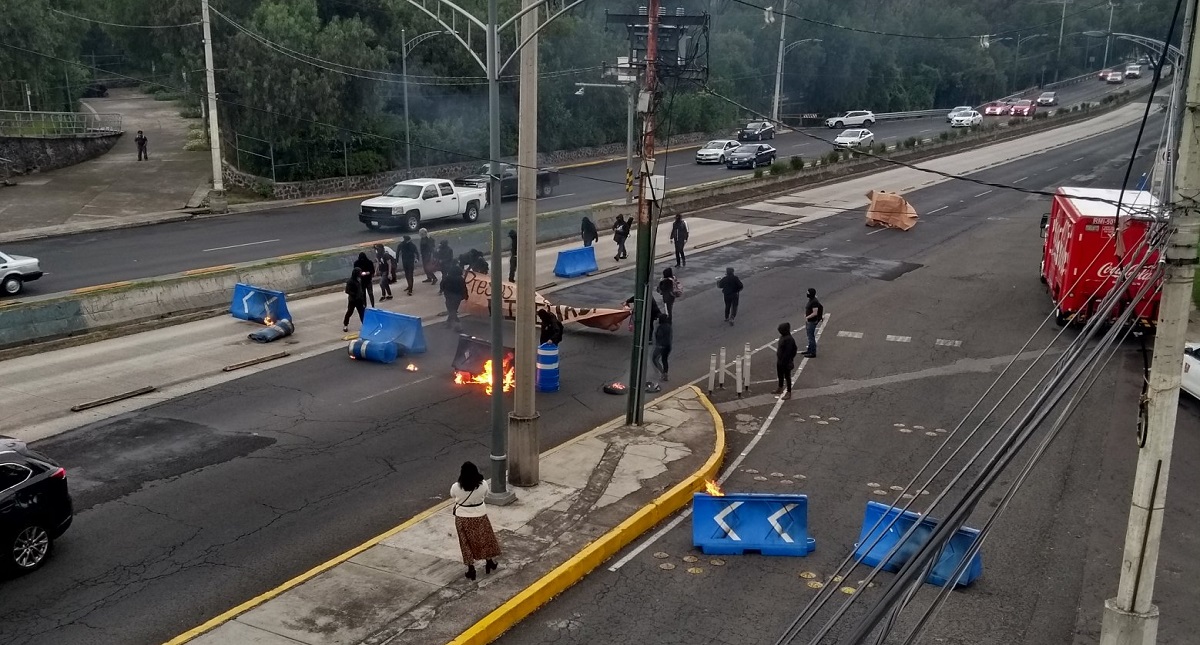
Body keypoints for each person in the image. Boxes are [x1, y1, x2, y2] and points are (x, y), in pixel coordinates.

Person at [450, 461, 501, 581]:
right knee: (484, 539)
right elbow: (486, 494)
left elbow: (453, 495)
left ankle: (471, 568)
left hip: (462, 518)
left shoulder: (456, 487)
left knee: (465, 542)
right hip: (480, 516)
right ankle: (489, 562)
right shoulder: (483, 484)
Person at [774, 322, 798, 399]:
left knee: (787, 377)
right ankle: (780, 387)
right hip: (780, 361)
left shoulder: (789, 340)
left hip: (786, 362)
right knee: (780, 375)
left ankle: (789, 392)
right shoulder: (783, 337)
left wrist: (789, 359)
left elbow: (793, 350)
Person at [441, 263, 467, 330]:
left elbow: (442, 285)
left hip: (448, 296)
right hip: (458, 297)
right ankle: (449, 323)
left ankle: (457, 325)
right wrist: (465, 296)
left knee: (451, 310)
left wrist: (443, 290)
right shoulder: (461, 279)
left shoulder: (447, 278)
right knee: (453, 310)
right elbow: (464, 288)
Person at [803, 288, 824, 357]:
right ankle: (809, 350)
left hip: (812, 321)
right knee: (809, 336)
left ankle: (813, 352)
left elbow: (815, 313)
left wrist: (807, 317)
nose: (807, 294)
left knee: (811, 336)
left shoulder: (814, 302)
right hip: (809, 321)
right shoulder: (812, 300)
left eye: (808, 292)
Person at [652, 314, 673, 381]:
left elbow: (659, 336)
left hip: (661, 346)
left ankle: (662, 374)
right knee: (664, 360)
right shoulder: (669, 326)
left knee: (654, 359)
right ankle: (665, 374)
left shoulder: (660, 327)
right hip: (668, 346)